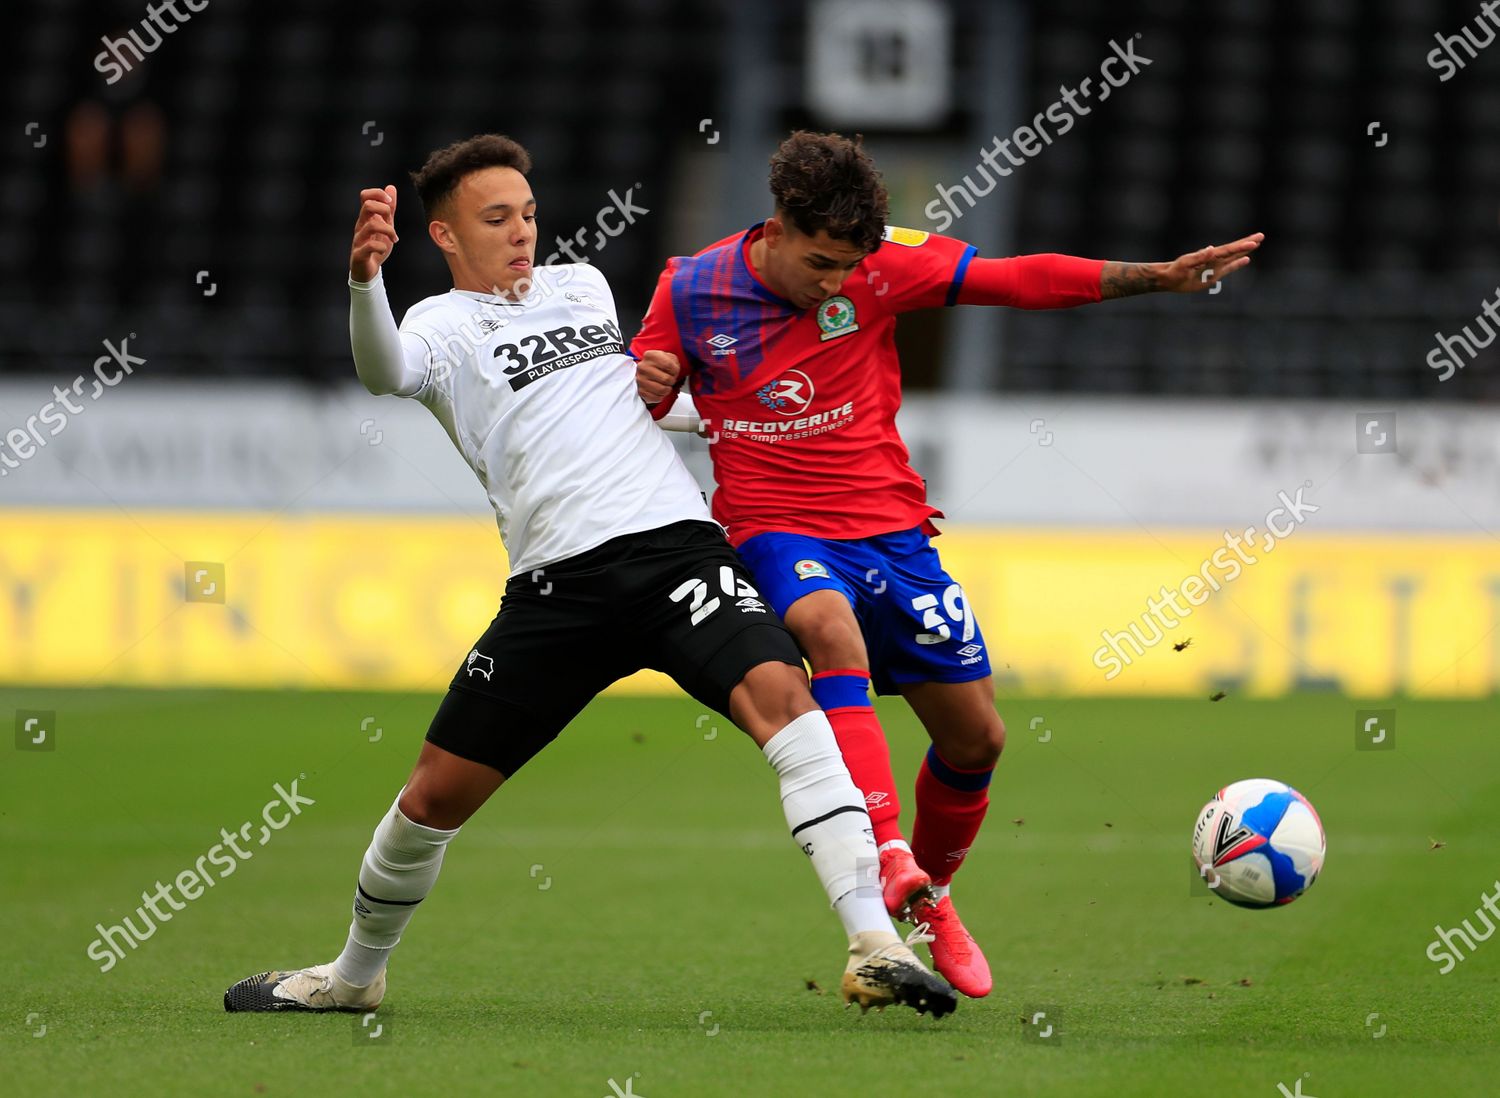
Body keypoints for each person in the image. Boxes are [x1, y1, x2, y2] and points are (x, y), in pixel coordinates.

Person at [223, 134, 956, 1018]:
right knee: (431, 798)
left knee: (790, 707)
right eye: (496, 219)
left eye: (529, 214)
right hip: (558, 587)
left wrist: (670, 388)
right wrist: (363, 281)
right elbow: (384, 374)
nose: (521, 232)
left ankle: (873, 945)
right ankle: (354, 977)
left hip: (676, 552)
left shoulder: (584, 286)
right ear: (446, 235)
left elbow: (620, 402)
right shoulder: (437, 326)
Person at [631, 130, 1262, 998]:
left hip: (892, 532)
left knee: (978, 737)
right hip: (775, 524)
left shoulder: (885, 264)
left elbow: (1017, 279)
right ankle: (889, 854)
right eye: (820, 264)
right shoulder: (690, 286)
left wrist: (1152, 276)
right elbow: (644, 393)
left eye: (849, 268)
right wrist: (649, 383)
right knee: (829, 630)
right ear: (774, 230)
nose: (835, 284)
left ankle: (931, 900)